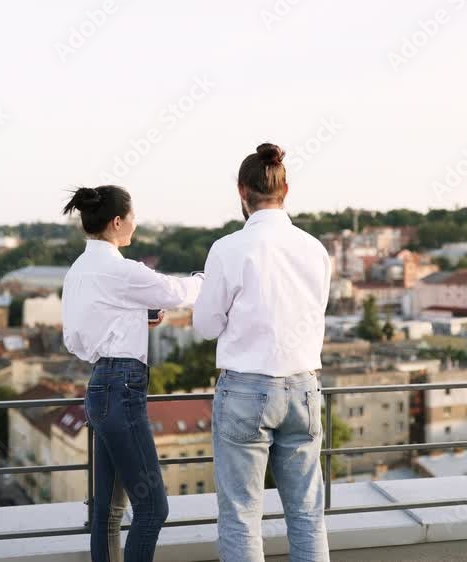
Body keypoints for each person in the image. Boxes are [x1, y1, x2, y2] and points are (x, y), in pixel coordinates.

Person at [193, 143, 332, 561]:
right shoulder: (315, 249)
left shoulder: (228, 248)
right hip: (304, 387)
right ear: (285, 189)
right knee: (308, 513)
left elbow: (205, 327)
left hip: (246, 389)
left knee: (241, 515)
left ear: (241, 191)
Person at [61, 185, 204, 562]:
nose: (136, 224)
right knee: (153, 508)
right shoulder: (121, 269)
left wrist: (133, 318)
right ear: (118, 221)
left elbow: (76, 338)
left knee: (107, 514)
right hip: (123, 389)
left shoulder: (78, 271)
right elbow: (176, 292)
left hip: (99, 389)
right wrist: (208, 279)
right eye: (134, 217)